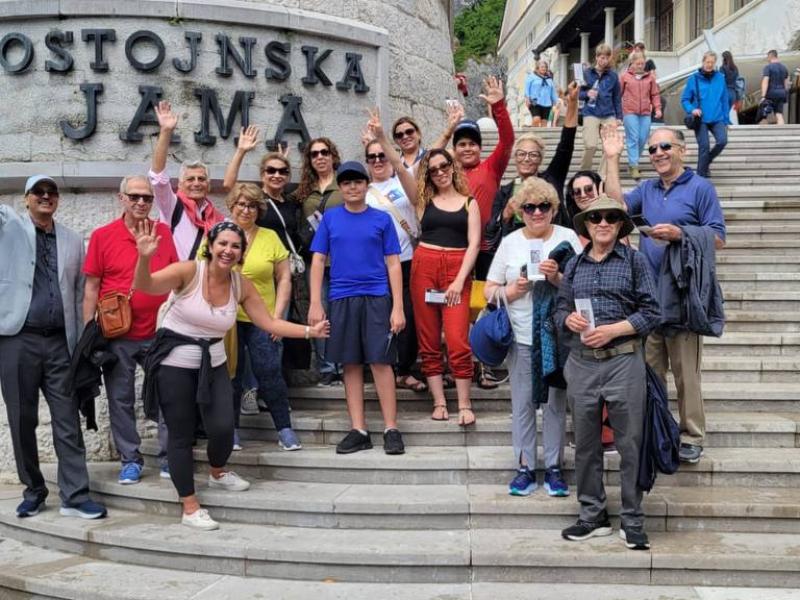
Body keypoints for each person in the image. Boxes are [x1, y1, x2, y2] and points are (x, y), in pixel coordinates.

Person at [135, 220, 328, 530]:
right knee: (181, 434)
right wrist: (144, 256)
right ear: (210, 246)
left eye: (235, 246)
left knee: (224, 428)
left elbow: (269, 323)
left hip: (213, 363)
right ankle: (189, 504)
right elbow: (145, 285)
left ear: (242, 252)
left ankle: (217, 472)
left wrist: (309, 331)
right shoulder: (188, 272)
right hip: (174, 363)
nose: (228, 250)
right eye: (223, 243)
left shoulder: (241, 284)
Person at [604, 126, 727, 464]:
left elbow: (718, 237)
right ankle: (657, 428)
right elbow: (617, 209)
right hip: (648, 296)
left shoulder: (701, 188)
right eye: (652, 148)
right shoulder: (648, 188)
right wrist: (613, 159)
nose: (657, 153)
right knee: (649, 371)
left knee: (686, 373)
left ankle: (691, 434)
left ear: (682, 151)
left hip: (684, 294)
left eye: (664, 146)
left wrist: (680, 233)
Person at [556, 196, 660, 550]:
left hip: (623, 360)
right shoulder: (573, 266)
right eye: (595, 217)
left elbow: (652, 312)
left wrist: (616, 329)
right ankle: (592, 515)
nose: (603, 223)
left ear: (619, 225)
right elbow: (559, 309)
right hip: (582, 362)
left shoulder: (635, 261)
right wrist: (568, 319)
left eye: (611, 218)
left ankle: (632, 519)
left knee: (630, 444)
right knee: (585, 444)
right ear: (586, 224)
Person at [0, 175, 107, 520]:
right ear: (26, 198)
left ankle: (75, 495)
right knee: (22, 419)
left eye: (52, 193)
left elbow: (78, 292)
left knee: (67, 419)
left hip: (61, 342)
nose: (46, 197)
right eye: (39, 193)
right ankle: (34, 490)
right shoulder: (9, 229)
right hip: (18, 338)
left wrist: (82, 340)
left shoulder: (74, 241)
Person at [484, 178, 582, 497]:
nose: (537, 212)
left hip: (558, 337)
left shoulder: (568, 238)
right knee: (524, 404)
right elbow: (489, 288)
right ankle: (524, 466)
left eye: (543, 206)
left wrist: (556, 278)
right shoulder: (511, 242)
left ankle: (554, 466)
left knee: (555, 404)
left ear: (553, 209)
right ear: (520, 211)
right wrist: (511, 291)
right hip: (522, 335)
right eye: (529, 207)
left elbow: (582, 284)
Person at [83, 175, 178, 484]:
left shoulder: (163, 232)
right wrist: (88, 335)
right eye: (134, 196)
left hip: (160, 333)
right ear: (120, 198)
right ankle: (130, 460)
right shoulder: (102, 236)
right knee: (120, 398)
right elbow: (91, 287)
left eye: (147, 198)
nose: (141, 202)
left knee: (169, 396)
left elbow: (176, 279)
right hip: (117, 334)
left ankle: (169, 458)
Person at [308, 161, 406, 455]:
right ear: (340, 186)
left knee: (380, 361)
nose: (352, 187)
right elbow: (317, 260)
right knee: (350, 363)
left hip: (377, 296)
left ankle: (391, 427)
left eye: (358, 182)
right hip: (341, 297)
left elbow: (393, 263)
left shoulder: (382, 219)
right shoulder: (330, 218)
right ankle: (359, 429)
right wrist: (315, 301)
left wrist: (398, 306)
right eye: (347, 182)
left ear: (367, 185)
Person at [222, 127, 302, 415]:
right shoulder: (254, 198)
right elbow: (230, 186)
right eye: (270, 170)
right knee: (242, 352)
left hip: (274, 271)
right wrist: (242, 150)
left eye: (282, 171)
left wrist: (281, 160)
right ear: (262, 173)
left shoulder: (291, 201)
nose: (276, 175)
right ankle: (251, 393)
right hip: (246, 276)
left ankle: (269, 393)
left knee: (272, 342)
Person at [222, 183, 300, 452]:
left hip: (262, 317)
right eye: (241, 204)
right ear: (232, 206)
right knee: (230, 376)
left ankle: (285, 429)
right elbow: (205, 272)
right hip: (227, 320)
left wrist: (277, 317)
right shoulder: (220, 235)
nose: (246, 210)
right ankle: (230, 430)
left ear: (259, 209)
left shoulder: (269, 237)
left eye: (253, 205)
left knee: (270, 372)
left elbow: (284, 278)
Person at [409, 149, 481, 425]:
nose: (440, 172)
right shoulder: (423, 201)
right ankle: (439, 401)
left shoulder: (468, 202)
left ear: (453, 167)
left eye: (444, 166)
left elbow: (474, 244)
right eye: (433, 169)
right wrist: (380, 138)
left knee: (457, 339)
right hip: (425, 265)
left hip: (457, 266)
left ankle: (464, 403)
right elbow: (405, 169)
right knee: (428, 339)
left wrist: (460, 280)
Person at [362, 110, 426, 394]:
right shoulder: (362, 191)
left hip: (408, 259)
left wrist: (382, 139)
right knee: (380, 316)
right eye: (372, 157)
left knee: (410, 316)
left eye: (382, 155)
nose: (378, 160)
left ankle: (406, 367)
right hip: (377, 264)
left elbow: (404, 173)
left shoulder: (403, 180)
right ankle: (383, 366)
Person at [486, 81, 579, 243]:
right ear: (515, 158)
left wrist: (572, 103)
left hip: (553, 253)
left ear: (540, 159)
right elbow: (490, 230)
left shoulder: (552, 179)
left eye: (533, 155)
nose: (527, 158)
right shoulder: (505, 192)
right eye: (521, 154)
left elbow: (566, 144)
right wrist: (506, 213)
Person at [295, 137, 343, 386]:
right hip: (316, 262)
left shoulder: (344, 184)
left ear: (333, 155)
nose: (320, 157)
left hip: (345, 261)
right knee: (320, 312)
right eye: (314, 154)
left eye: (324, 152)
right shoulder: (304, 191)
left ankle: (344, 364)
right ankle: (328, 366)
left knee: (343, 313)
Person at [150, 101, 225, 261]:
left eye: (201, 179)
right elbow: (158, 178)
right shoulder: (171, 205)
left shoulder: (217, 218)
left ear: (209, 185)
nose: (196, 183)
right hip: (177, 283)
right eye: (190, 179)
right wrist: (165, 132)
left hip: (205, 282)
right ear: (181, 184)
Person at [681, 51, 730, 178]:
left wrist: (726, 120)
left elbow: (724, 100)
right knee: (704, 146)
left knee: (722, 141)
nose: (709, 65)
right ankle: (701, 176)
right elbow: (685, 99)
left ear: (715, 64)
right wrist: (692, 109)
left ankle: (705, 162)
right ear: (703, 62)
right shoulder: (694, 79)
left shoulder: (720, 78)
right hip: (700, 119)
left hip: (717, 117)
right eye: (707, 62)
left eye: (712, 63)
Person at [579, 44, 622, 178]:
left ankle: (602, 176)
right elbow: (577, 94)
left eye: (607, 58)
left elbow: (617, 97)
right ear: (597, 57)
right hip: (590, 113)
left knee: (610, 146)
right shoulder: (586, 73)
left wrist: (619, 117)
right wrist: (587, 94)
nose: (604, 60)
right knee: (591, 145)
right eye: (601, 57)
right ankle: (584, 173)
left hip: (608, 113)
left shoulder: (613, 76)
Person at [620, 52, 662, 181]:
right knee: (633, 137)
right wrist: (617, 113)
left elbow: (654, 94)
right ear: (632, 63)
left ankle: (633, 162)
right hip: (629, 111)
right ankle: (634, 166)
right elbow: (618, 94)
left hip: (645, 112)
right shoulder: (624, 77)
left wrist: (657, 108)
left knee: (643, 138)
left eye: (642, 63)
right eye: (638, 63)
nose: (640, 66)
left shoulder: (650, 78)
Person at [524, 60, 559, 128]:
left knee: (544, 124)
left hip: (547, 103)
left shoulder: (549, 79)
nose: (544, 68)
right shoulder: (531, 77)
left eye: (545, 67)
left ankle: (540, 138)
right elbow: (527, 88)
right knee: (536, 119)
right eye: (542, 67)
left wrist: (556, 101)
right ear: (537, 68)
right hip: (534, 101)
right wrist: (527, 98)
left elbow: (552, 92)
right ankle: (532, 134)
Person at [761, 50, 790, 125]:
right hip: (781, 93)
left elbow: (765, 81)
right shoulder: (784, 68)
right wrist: (785, 93)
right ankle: (783, 132)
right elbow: (786, 83)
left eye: (767, 57)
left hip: (771, 93)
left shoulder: (768, 67)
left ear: (770, 56)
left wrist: (763, 96)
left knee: (764, 114)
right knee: (779, 114)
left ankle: (762, 133)